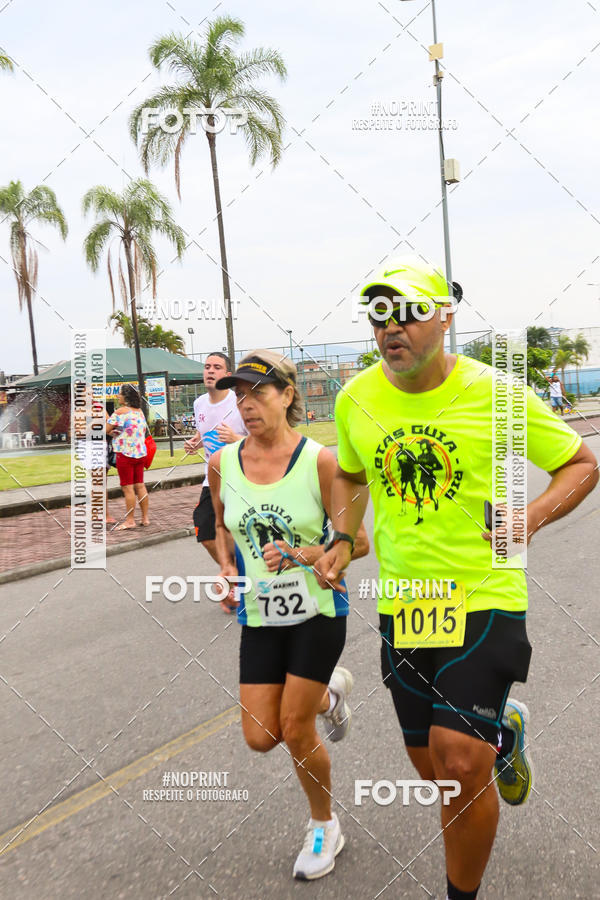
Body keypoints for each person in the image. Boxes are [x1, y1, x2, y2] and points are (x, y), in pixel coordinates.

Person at [316, 256, 598, 900]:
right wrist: (339, 536)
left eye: (411, 311)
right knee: (433, 769)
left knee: (460, 761)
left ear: (444, 316)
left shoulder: (495, 395)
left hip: (485, 596)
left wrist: (528, 518)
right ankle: (505, 731)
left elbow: (580, 464)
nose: (394, 327)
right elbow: (353, 476)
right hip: (406, 605)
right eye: (381, 313)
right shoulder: (356, 398)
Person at [207, 350, 369, 881]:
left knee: (296, 728)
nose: (246, 405)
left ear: (288, 395)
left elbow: (358, 540)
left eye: (259, 393)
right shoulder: (222, 463)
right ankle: (330, 693)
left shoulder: (319, 462)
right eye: (239, 395)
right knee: (260, 735)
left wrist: (306, 555)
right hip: (260, 612)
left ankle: (325, 825)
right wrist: (227, 568)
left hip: (318, 609)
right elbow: (222, 527)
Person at [184, 353, 247, 562]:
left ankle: (244, 575)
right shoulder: (199, 403)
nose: (210, 371)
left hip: (242, 478)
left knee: (240, 532)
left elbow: (261, 442)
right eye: (207, 366)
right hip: (212, 478)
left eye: (217, 367)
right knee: (204, 530)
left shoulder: (240, 404)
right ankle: (235, 571)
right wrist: (195, 443)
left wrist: (236, 438)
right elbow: (204, 433)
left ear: (228, 375)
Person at [106, 383, 149, 530]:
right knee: (140, 486)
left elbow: (106, 429)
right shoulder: (139, 412)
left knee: (128, 488)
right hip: (140, 454)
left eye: (119, 394)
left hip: (125, 454)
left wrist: (111, 432)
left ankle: (130, 520)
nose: (117, 396)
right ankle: (145, 518)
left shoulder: (120, 412)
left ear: (126, 396)